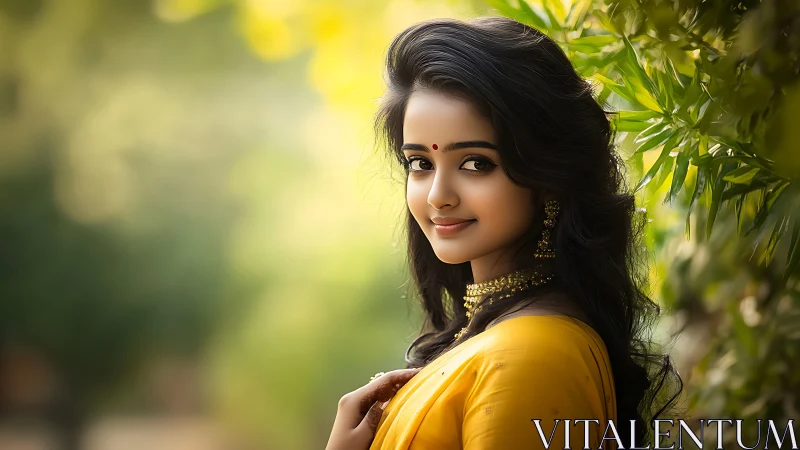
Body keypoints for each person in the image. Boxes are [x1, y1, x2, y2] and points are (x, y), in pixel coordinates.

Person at [325, 16, 681, 450]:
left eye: (476, 163)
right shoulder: (503, 336)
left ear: (548, 176)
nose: (438, 196)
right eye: (419, 163)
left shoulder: (533, 355)